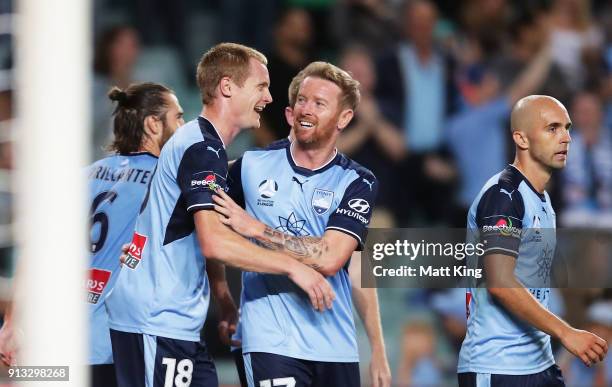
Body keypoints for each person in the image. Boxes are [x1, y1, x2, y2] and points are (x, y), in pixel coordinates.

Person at [105, 43, 334, 387]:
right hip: (155, 318)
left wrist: (223, 298)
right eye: (260, 86)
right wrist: (293, 266)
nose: (269, 98)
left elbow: (198, 231)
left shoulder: (202, 144)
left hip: (173, 321)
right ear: (227, 87)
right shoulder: (201, 148)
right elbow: (213, 241)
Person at [213, 61, 382, 387]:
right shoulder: (251, 166)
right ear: (289, 112)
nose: (307, 109)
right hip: (270, 340)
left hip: (336, 346)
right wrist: (221, 293)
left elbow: (332, 258)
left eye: (320, 103)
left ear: (344, 119)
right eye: (302, 100)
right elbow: (206, 220)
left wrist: (256, 228)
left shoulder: (357, 182)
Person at [458, 95, 608, 386]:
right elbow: (500, 283)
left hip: (538, 364)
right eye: (552, 128)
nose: (565, 137)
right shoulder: (504, 195)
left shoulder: (543, 200)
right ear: (521, 139)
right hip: (499, 367)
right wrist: (566, 332)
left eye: (567, 128)